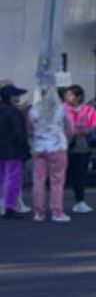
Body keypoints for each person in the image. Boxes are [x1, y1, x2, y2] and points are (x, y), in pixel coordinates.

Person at [26, 82, 75, 223]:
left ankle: (39, 212)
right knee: (57, 181)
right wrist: (65, 139)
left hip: (39, 148)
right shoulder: (61, 110)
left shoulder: (33, 111)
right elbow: (70, 129)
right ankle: (56, 211)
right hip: (57, 147)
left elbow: (29, 131)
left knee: (38, 181)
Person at [63, 85, 96, 214]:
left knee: (80, 174)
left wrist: (85, 130)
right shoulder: (62, 109)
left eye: (70, 95)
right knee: (62, 175)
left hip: (82, 146)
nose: (67, 97)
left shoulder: (89, 110)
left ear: (78, 97)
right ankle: (57, 202)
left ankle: (80, 200)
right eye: (66, 95)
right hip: (64, 146)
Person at [0, 84, 31, 220]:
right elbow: (19, 134)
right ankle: (9, 207)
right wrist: (26, 149)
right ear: (11, 97)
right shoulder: (14, 113)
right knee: (13, 180)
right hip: (12, 151)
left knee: (1, 178)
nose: (18, 98)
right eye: (16, 95)